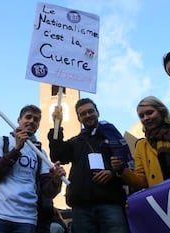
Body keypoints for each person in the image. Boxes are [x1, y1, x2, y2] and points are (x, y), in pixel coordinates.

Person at [0, 104, 67, 233]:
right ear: (19, 120)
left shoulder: (40, 153)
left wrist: (56, 181)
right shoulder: (1, 142)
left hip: (27, 219)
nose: (31, 121)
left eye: (36, 119)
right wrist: (16, 150)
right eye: (28, 117)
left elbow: (48, 192)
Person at [48, 98, 131, 233]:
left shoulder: (113, 137)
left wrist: (112, 172)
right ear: (79, 118)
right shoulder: (76, 142)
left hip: (110, 203)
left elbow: (126, 164)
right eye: (83, 114)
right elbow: (58, 155)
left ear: (97, 112)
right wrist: (57, 123)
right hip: (82, 207)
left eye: (90, 111)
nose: (87, 115)